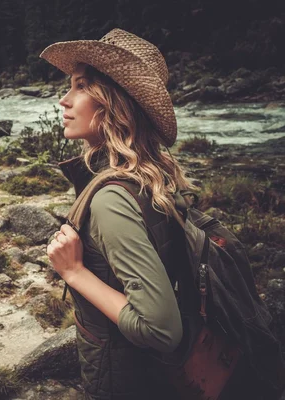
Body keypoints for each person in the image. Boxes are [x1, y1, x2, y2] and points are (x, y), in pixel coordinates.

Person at [41, 29, 194, 399]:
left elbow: (161, 331)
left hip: (129, 382)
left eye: (79, 87)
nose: (64, 100)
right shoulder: (154, 175)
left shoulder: (112, 198)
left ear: (111, 102)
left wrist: (74, 272)